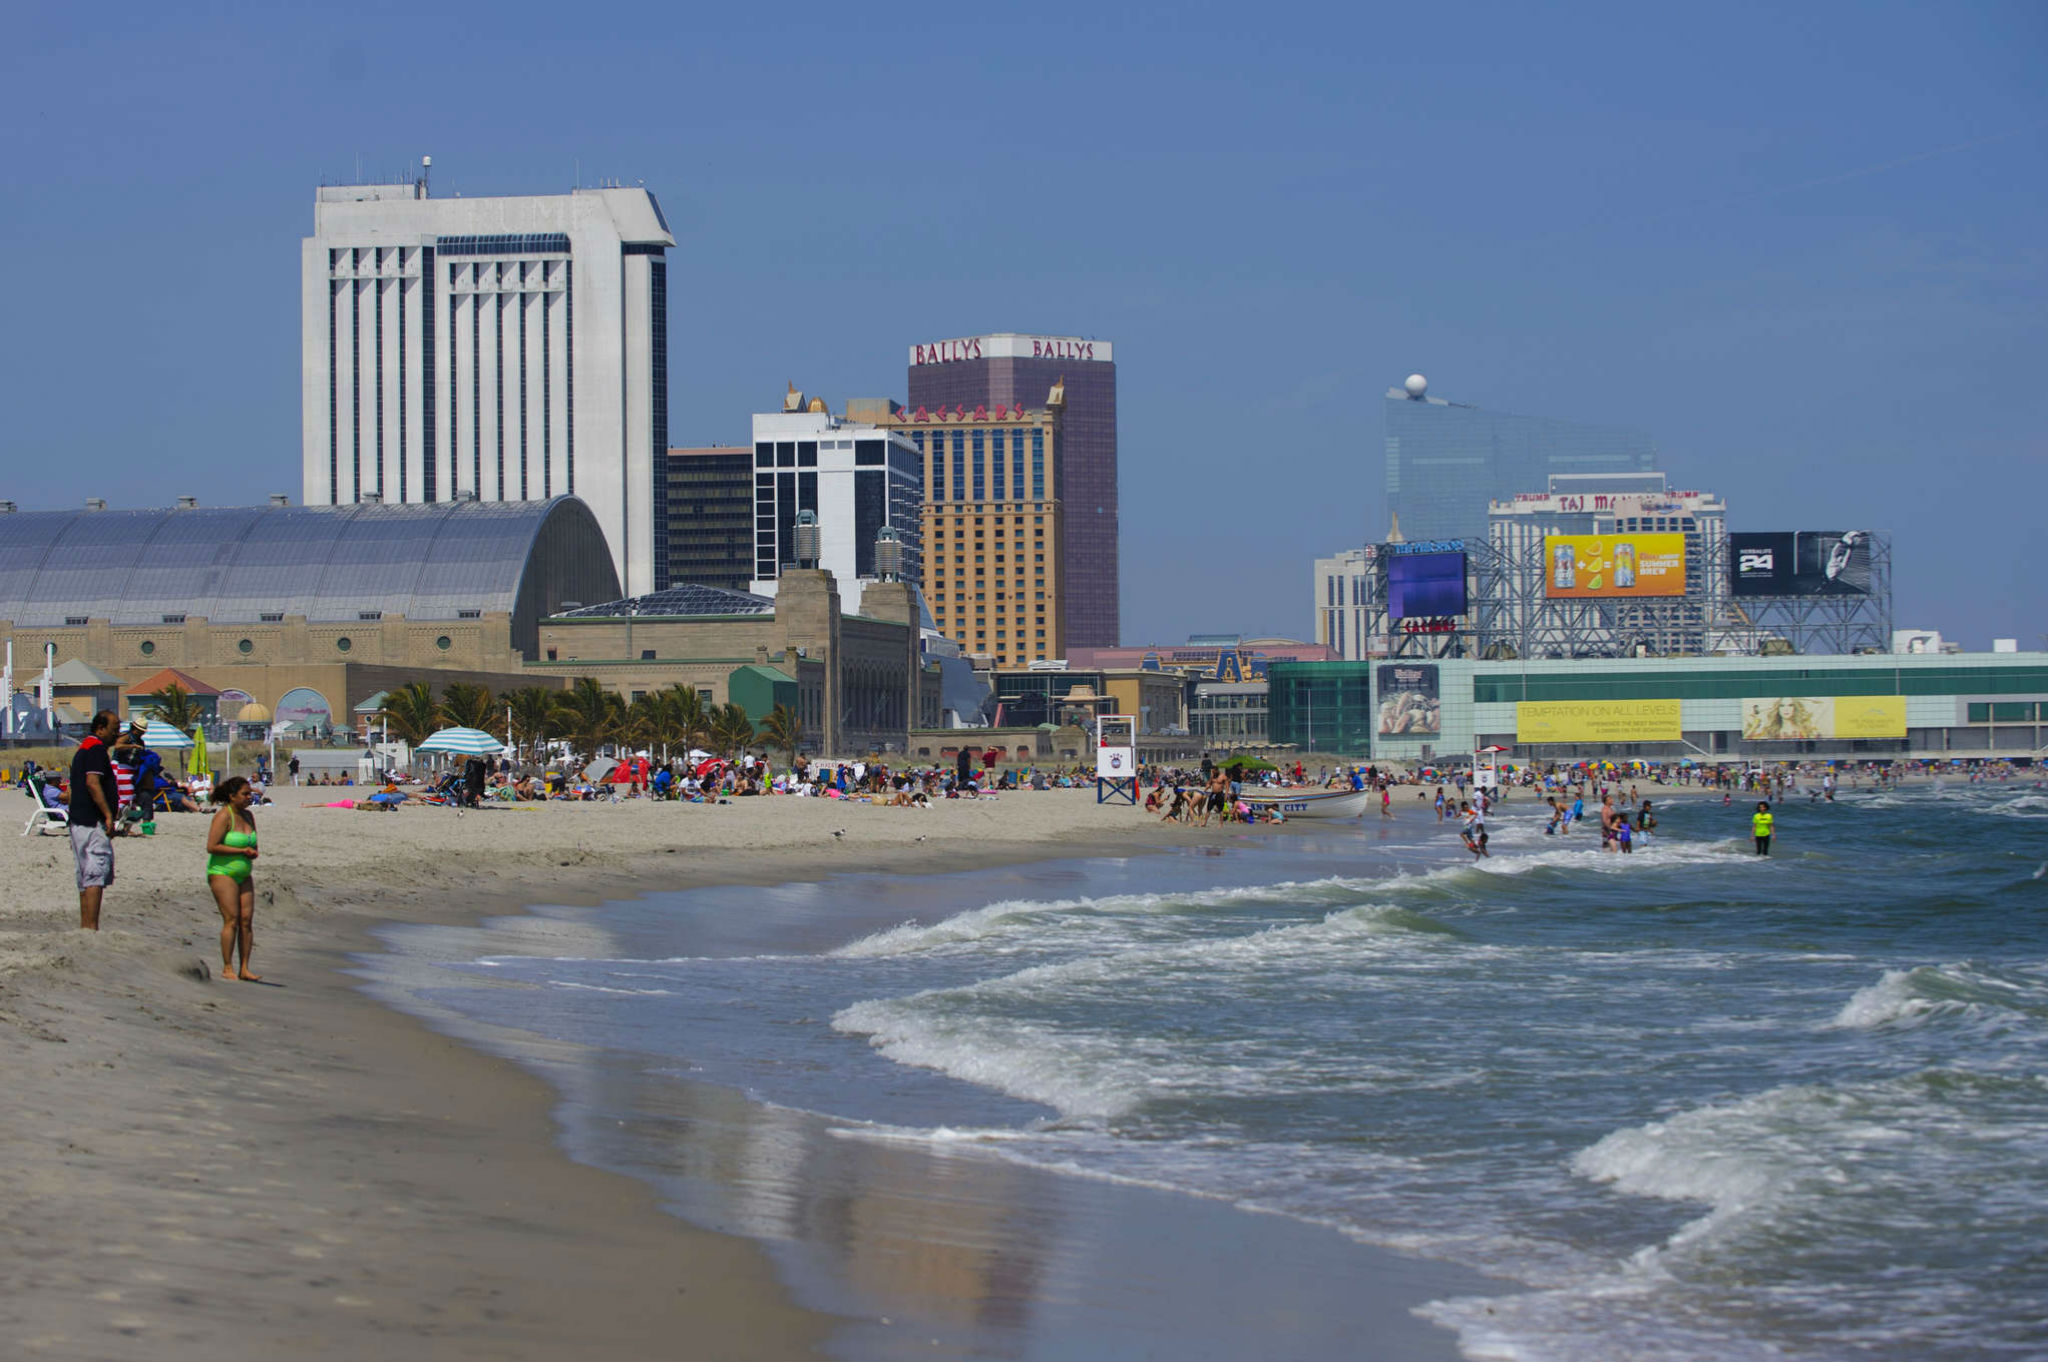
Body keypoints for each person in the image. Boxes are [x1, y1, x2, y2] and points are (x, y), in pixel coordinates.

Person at [68, 710, 124, 930]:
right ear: (101, 729)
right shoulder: (96, 749)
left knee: (84, 875)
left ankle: (86, 927)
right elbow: (93, 782)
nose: (117, 734)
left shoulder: (83, 749)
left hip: (78, 821)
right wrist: (108, 814)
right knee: (94, 875)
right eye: (114, 729)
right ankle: (91, 927)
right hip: (92, 823)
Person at [205, 776, 262, 981]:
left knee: (246, 920)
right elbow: (212, 846)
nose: (249, 797)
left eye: (250, 794)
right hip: (222, 872)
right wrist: (240, 849)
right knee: (232, 919)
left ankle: (245, 968)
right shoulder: (224, 816)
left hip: (244, 873)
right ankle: (227, 967)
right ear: (232, 796)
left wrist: (253, 851)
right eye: (245, 794)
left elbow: (254, 843)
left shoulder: (248, 816)